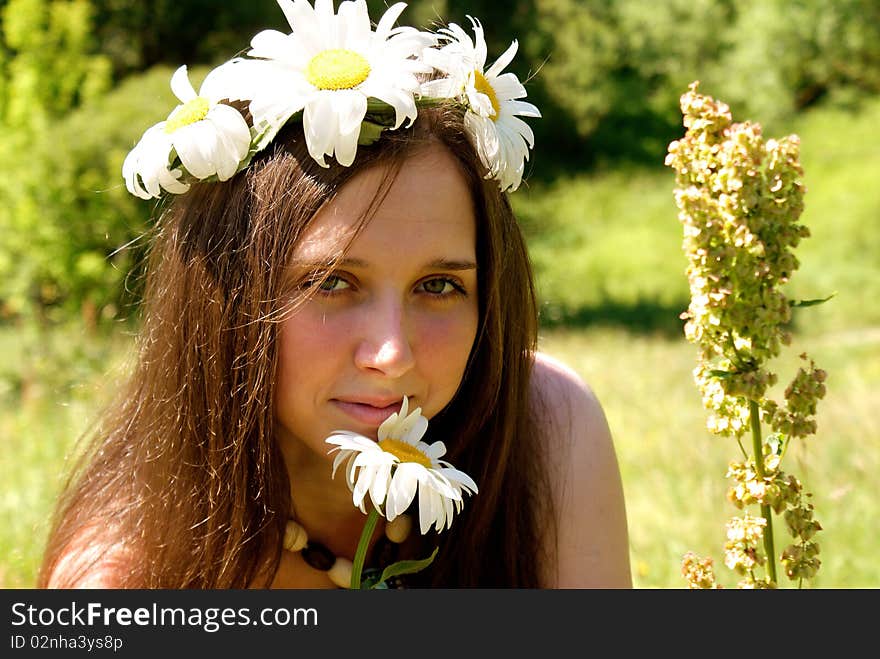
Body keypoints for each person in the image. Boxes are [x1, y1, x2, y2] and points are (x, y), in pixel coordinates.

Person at [39, 0, 631, 589]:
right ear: (226, 298)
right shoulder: (123, 579)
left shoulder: (547, 428)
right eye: (333, 283)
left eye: (439, 286)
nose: (392, 353)